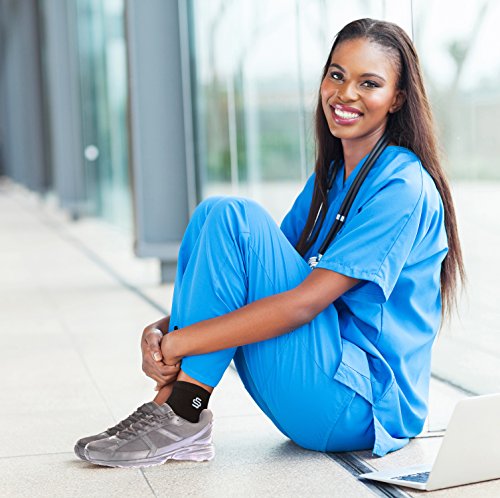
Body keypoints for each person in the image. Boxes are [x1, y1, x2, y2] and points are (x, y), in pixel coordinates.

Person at [75, 18, 464, 468]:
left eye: (369, 83)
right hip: (317, 378)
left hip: (360, 407)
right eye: (336, 75)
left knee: (233, 217)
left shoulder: (403, 186)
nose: (345, 93)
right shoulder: (332, 177)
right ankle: (175, 411)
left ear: (397, 98)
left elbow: (299, 304)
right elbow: (244, 280)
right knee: (213, 218)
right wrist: (162, 330)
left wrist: (180, 345)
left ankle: (179, 412)